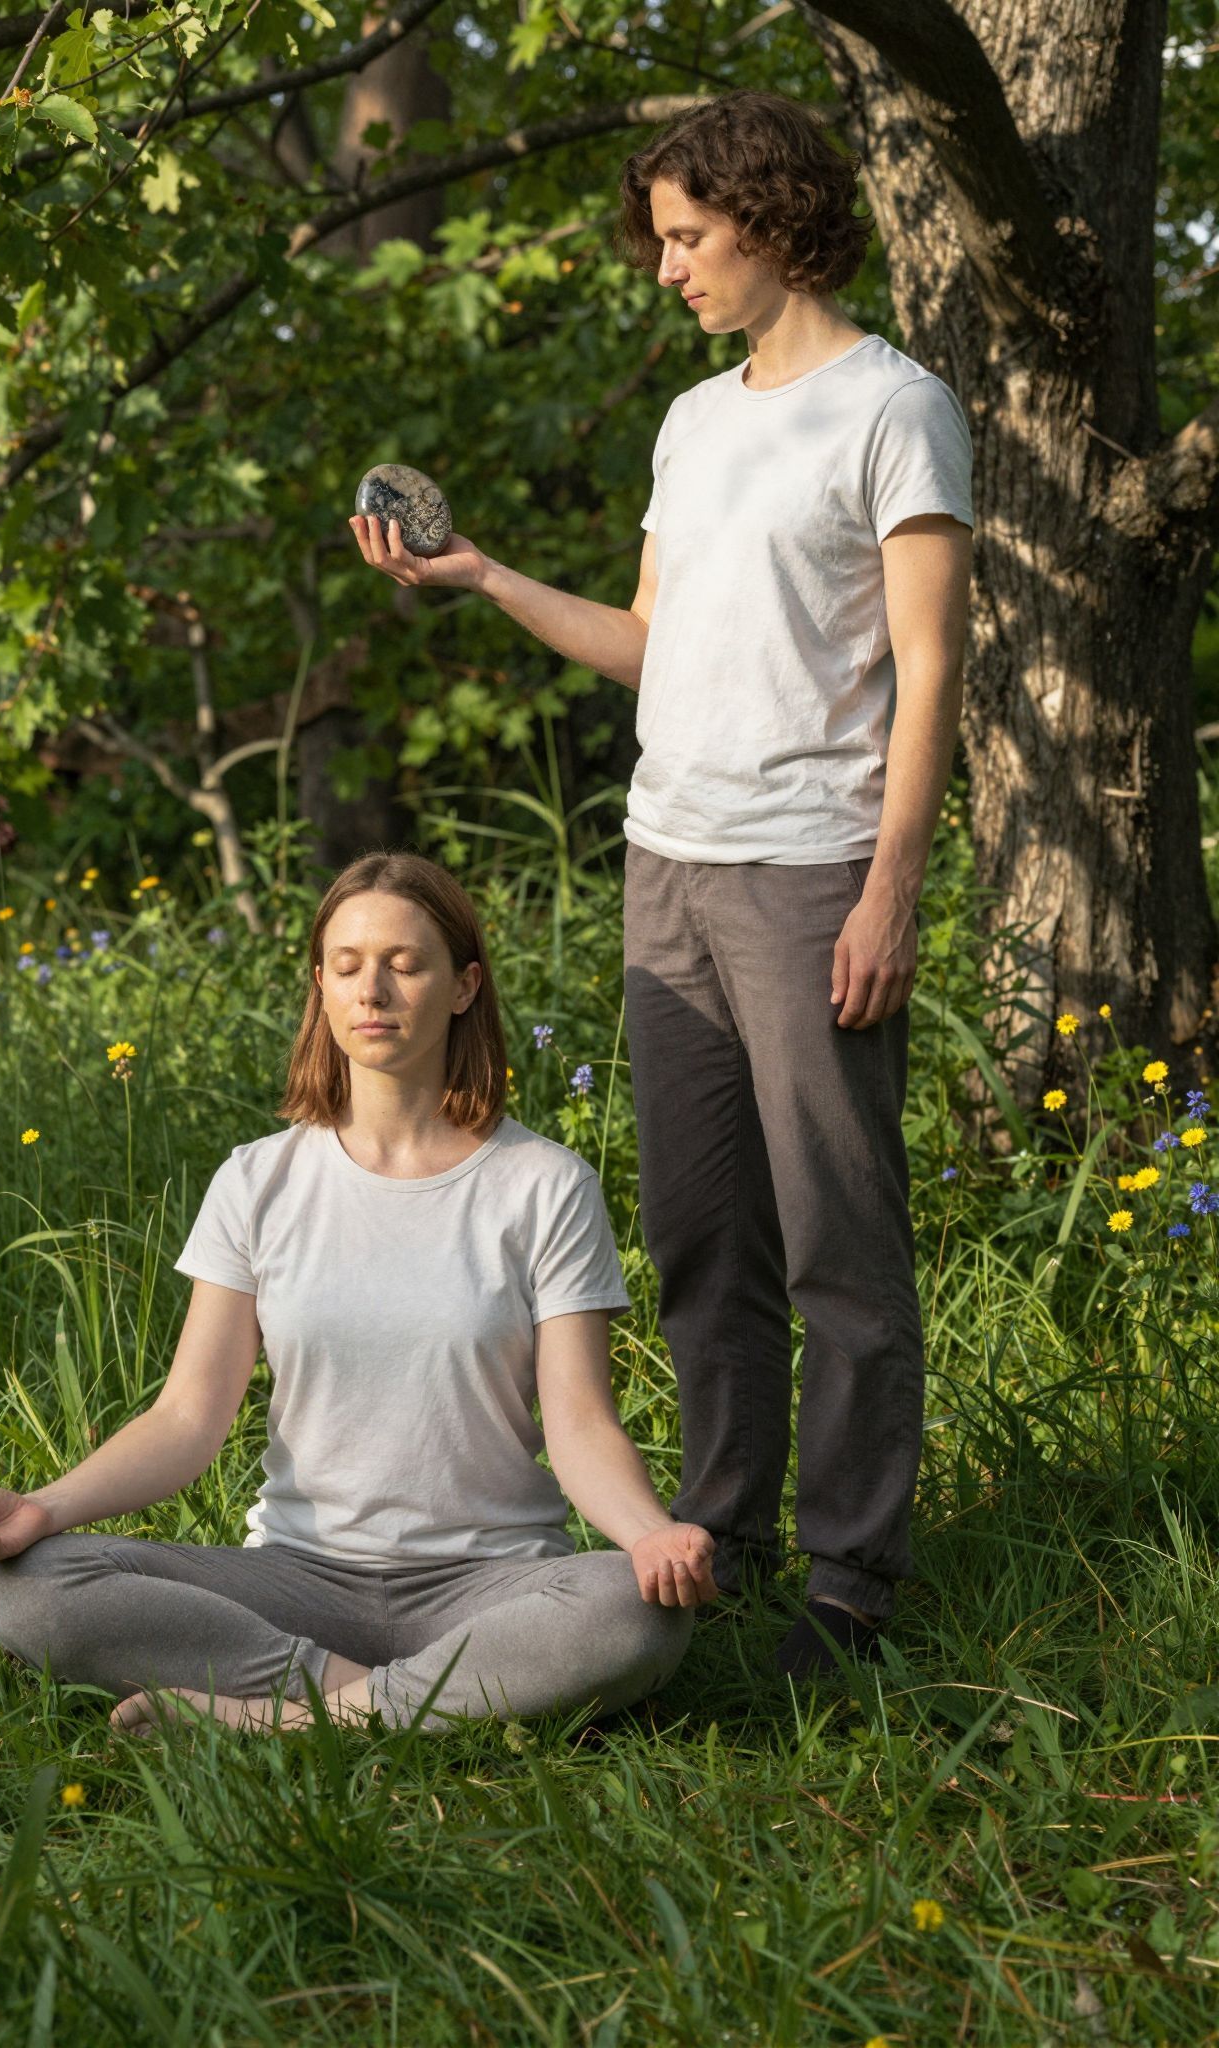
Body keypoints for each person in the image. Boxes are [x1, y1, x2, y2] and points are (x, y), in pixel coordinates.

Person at [347, 91, 974, 1679]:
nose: (669, 268)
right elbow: (651, 644)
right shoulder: (695, 422)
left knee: (840, 1242)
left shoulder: (895, 409)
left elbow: (929, 665)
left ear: (768, 222)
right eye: (663, 242)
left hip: (809, 871)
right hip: (667, 864)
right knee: (703, 1242)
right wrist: (481, 574)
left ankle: (849, 1588)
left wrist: (890, 889)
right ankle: (718, 1540)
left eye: (689, 239)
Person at [0, 853, 714, 1738]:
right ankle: (393, 1706)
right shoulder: (258, 1181)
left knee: (633, 1605)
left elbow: (580, 1424)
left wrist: (649, 1532)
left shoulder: (544, 1185)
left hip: (487, 1584)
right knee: (33, 1586)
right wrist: (44, 1507)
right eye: (346, 967)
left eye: (405, 963)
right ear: (320, 986)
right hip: (298, 1583)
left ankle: (283, 1721)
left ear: (464, 986)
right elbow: (188, 1419)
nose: (372, 990)